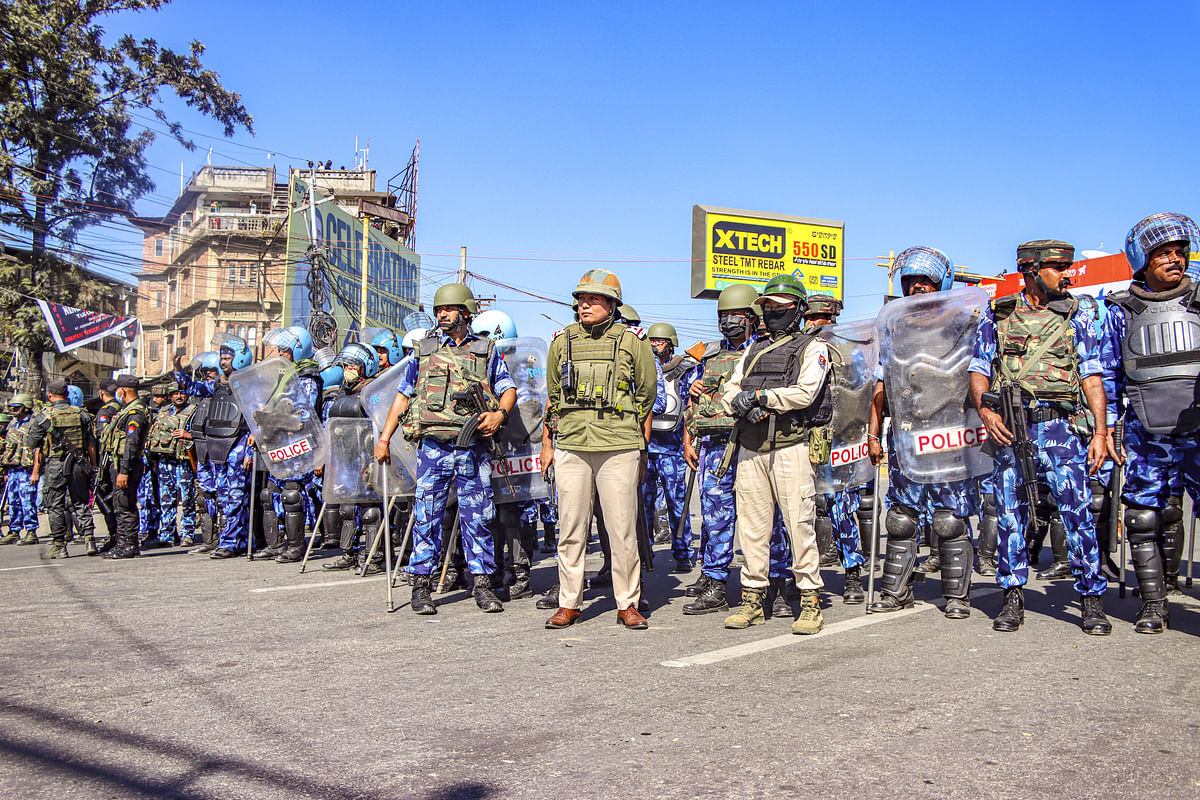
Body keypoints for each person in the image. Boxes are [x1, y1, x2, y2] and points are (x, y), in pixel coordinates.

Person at [968, 239, 1111, 634]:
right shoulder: (997, 315)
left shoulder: (1078, 316)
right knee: (1011, 515)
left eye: (1069, 266)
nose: (1068, 274)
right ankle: (1012, 595)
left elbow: (1092, 376)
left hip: (1061, 428)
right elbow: (979, 369)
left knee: (1077, 514)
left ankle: (1091, 598)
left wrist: (1100, 431)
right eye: (1058, 267)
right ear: (1030, 271)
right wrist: (985, 409)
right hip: (1012, 427)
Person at [374, 283, 516, 615]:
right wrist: (384, 439)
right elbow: (402, 397)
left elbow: (508, 389)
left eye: (449, 309)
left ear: (465, 313)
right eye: (439, 309)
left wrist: (500, 414)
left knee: (479, 518)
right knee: (426, 517)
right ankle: (420, 586)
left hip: (473, 448)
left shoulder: (486, 350)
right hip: (433, 448)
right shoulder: (422, 352)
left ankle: (482, 585)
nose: (442, 314)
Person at [539, 269, 657, 629]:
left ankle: (627, 603)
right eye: (580, 298)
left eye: (593, 298)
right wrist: (550, 444)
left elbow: (646, 393)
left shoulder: (633, 341)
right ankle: (569, 602)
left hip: (618, 444)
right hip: (572, 443)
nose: (584, 304)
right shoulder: (562, 341)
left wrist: (637, 444)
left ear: (612, 304)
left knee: (621, 529)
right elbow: (553, 393)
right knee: (570, 528)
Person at [868, 247, 981, 620]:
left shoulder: (966, 321)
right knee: (901, 517)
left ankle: (957, 597)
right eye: (910, 281)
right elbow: (881, 383)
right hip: (905, 435)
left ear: (942, 282)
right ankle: (895, 593)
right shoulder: (894, 327)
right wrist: (872, 432)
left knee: (948, 519)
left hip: (949, 435)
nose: (917, 286)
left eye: (925, 280)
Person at [1101, 213, 1200, 633]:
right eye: (1164, 253)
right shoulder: (1120, 311)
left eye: (1180, 251)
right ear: (1142, 259)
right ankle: (1154, 606)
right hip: (1144, 428)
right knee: (1142, 517)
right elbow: (1106, 375)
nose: (1175, 259)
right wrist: (1106, 428)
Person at [720, 273, 831, 634]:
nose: (771, 313)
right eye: (766, 307)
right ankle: (752, 599)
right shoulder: (752, 348)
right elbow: (730, 388)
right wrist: (741, 404)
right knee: (752, 528)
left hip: (791, 447)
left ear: (797, 310)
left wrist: (764, 398)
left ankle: (810, 601)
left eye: (779, 308)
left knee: (800, 526)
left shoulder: (812, 348)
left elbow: (806, 393)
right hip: (750, 448)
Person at [680, 283, 759, 615]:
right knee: (715, 517)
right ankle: (715, 584)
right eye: (723, 316)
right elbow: (690, 401)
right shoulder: (708, 354)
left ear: (752, 318)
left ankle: (775, 583)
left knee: (764, 519)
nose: (728, 321)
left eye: (735, 316)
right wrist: (688, 436)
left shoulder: (762, 351)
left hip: (753, 445)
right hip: (714, 445)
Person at [803, 293, 869, 603]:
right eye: (810, 319)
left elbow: (859, 390)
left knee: (843, 508)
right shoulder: (800, 346)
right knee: (802, 509)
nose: (814, 324)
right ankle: (801, 575)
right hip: (804, 437)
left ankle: (853, 573)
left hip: (840, 438)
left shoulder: (848, 349)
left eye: (820, 319)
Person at [174, 337, 255, 558]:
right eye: (222, 358)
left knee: (236, 496)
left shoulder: (248, 384)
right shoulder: (217, 384)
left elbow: (255, 418)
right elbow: (193, 388)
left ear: (239, 359)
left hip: (238, 443)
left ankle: (232, 543)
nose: (223, 362)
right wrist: (178, 369)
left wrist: (249, 450)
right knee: (223, 495)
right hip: (218, 445)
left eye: (227, 358)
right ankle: (233, 539)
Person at [255, 326, 324, 563]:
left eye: (285, 351)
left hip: (298, 445)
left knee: (292, 494)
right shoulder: (284, 378)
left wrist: (274, 418)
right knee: (269, 494)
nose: (282, 354)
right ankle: (275, 544)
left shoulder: (307, 379)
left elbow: (303, 415)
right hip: (279, 443)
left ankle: (296, 546)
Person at [322, 342, 385, 574]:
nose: (347, 368)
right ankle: (347, 553)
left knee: (369, 511)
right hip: (346, 458)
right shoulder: (342, 391)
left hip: (367, 458)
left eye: (353, 365)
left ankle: (372, 557)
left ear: (366, 367)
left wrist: (372, 462)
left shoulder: (373, 391)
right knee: (346, 507)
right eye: (346, 364)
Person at [644, 321, 697, 572]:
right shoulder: (642, 367)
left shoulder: (684, 370)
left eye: (660, 341)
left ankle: (682, 552)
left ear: (671, 344)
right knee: (643, 505)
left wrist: (688, 441)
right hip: (646, 446)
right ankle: (644, 551)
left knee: (677, 503)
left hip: (673, 449)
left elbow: (688, 407)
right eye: (651, 340)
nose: (655, 345)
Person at [27, 380, 97, 558]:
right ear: (66, 395)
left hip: (56, 464)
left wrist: (36, 467)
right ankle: (89, 539)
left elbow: (33, 444)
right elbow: (91, 444)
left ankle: (60, 546)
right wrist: (93, 466)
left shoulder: (44, 416)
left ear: (49, 396)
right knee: (81, 500)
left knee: (55, 504)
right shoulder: (82, 414)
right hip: (78, 463)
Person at [99, 375, 150, 559]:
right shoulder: (127, 409)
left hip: (126, 464)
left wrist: (124, 471)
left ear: (123, 390)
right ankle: (123, 543)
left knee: (125, 504)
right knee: (120, 503)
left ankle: (128, 545)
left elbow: (131, 444)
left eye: (118, 389)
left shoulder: (135, 413)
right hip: (120, 463)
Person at [145, 383, 198, 547]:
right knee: (166, 499)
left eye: (181, 393)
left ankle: (187, 533)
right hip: (164, 461)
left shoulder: (194, 412)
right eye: (175, 393)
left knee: (187, 498)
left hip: (184, 462)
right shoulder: (163, 413)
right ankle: (167, 534)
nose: (179, 396)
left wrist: (189, 435)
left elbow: (203, 433)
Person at [0, 394, 41, 546]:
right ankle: (14, 530)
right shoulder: (11, 424)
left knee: (27, 501)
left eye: (16, 407)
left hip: (26, 470)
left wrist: (36, 471)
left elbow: (39, 449)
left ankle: (31, 531)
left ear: (26, 407)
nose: (13, 411)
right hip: (12, 470)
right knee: (13, 501)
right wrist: (5, 472)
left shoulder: (33, 424)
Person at [91, 379, 122, 552]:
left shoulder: (106, 410)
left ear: (101, 393)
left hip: (108, 460)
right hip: (118, 459)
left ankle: (115, 536)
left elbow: (102, 439)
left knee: (107, 498)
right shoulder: (122, 407)